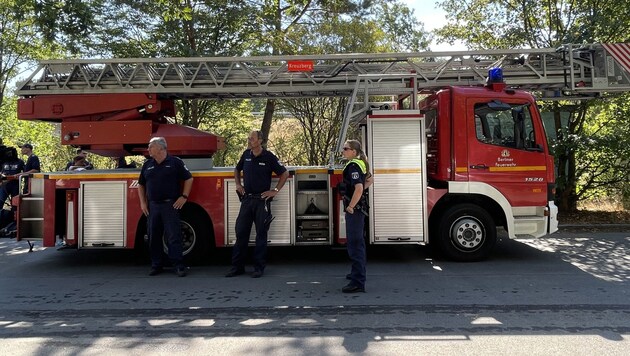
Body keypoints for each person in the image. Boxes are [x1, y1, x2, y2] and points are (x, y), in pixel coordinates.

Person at [226, 130, 289, 278]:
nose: (249, 140)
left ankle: (258, 268)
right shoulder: (246, 155)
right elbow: (237, 169)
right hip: (247, 200)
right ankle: (237, 267)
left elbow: (284, 173)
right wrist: (238, 184)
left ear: (260, 140)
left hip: (262, 201)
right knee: (241, 233)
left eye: (252, 138)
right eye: (248, 138)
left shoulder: (269, 156)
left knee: (261, 234)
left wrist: (274, 190)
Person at [138, 137, 193, 277]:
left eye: (151, 146)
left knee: (174, 236)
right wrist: (143, 203)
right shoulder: (147, 165)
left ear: (161, 148)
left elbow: (189, 178)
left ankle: (178, 265)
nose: (148, 149)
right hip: (153, 206)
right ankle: (156, 265)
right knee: (153, 236)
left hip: (170, 205)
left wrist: (184, 197)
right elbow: (141, 184)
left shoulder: (175, 162)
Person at [340, 139, 373, 293]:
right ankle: (356, 274)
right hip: (360, 209)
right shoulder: (360, 163)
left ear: (353, 151)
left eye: (346, 149)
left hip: (356, 210)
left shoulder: (353, 166)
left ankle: (358, 282)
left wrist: (351, 206)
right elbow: (370, 180)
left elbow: (359, 188)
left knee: (355, 245)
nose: (343, 151)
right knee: (357, 243)